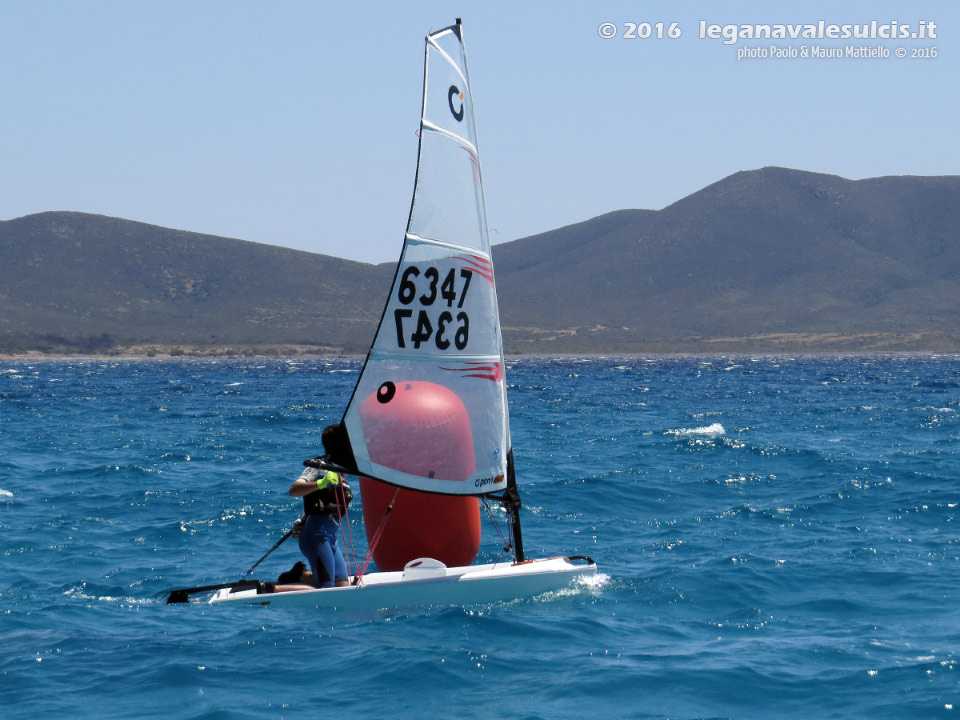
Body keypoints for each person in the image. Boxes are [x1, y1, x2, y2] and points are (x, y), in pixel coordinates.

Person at [287, 424, 353, 589]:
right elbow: (294, 490)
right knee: (326, 587)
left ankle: (300, 576)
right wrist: (321, 483)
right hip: (315, 536)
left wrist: (303, 519)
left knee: (342, 585)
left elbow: (320, 503)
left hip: (330, 536)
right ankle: (272, 589)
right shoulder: (318, 466)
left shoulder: (340, 471)